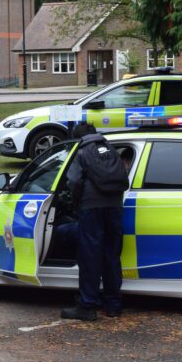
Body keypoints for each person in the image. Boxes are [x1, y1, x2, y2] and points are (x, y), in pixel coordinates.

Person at [59, 123, 129, 321]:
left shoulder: (82, 152)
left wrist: (76, 201)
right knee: (111, 255)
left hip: (92, 208)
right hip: (114, 208)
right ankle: (113, 305)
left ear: (78, 137)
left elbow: (73, 181)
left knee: (90, 256)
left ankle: (87, 305)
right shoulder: (109, 148)